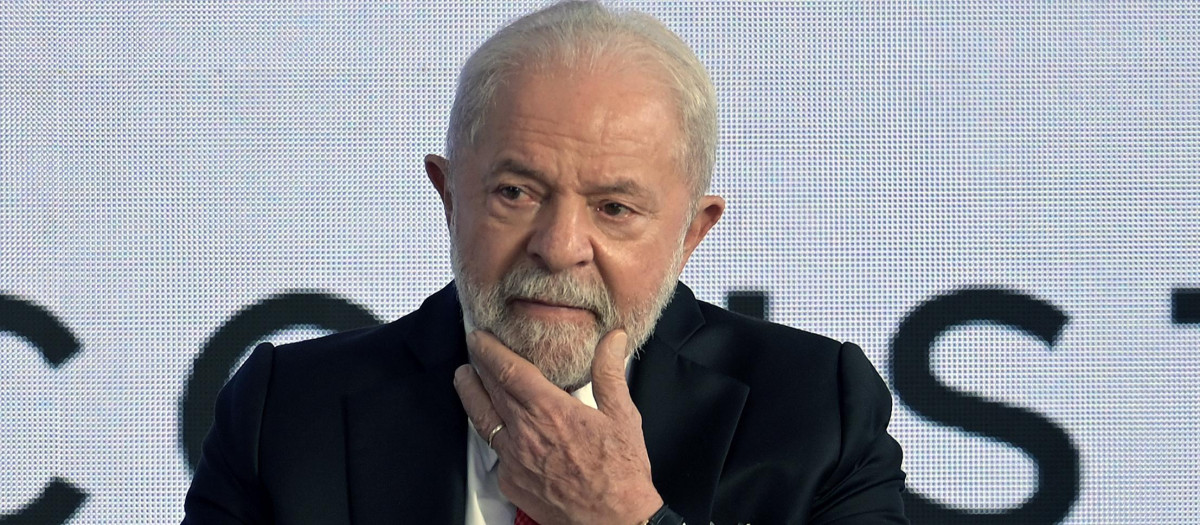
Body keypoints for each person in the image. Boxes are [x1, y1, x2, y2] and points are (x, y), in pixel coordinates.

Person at [182, 2, 908, 524]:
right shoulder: (284, 414)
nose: (559, 247)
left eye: (614, 208)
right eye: (516, 192)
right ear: (449, 197)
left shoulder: (817, 411)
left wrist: (625, 518)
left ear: (691, 233)